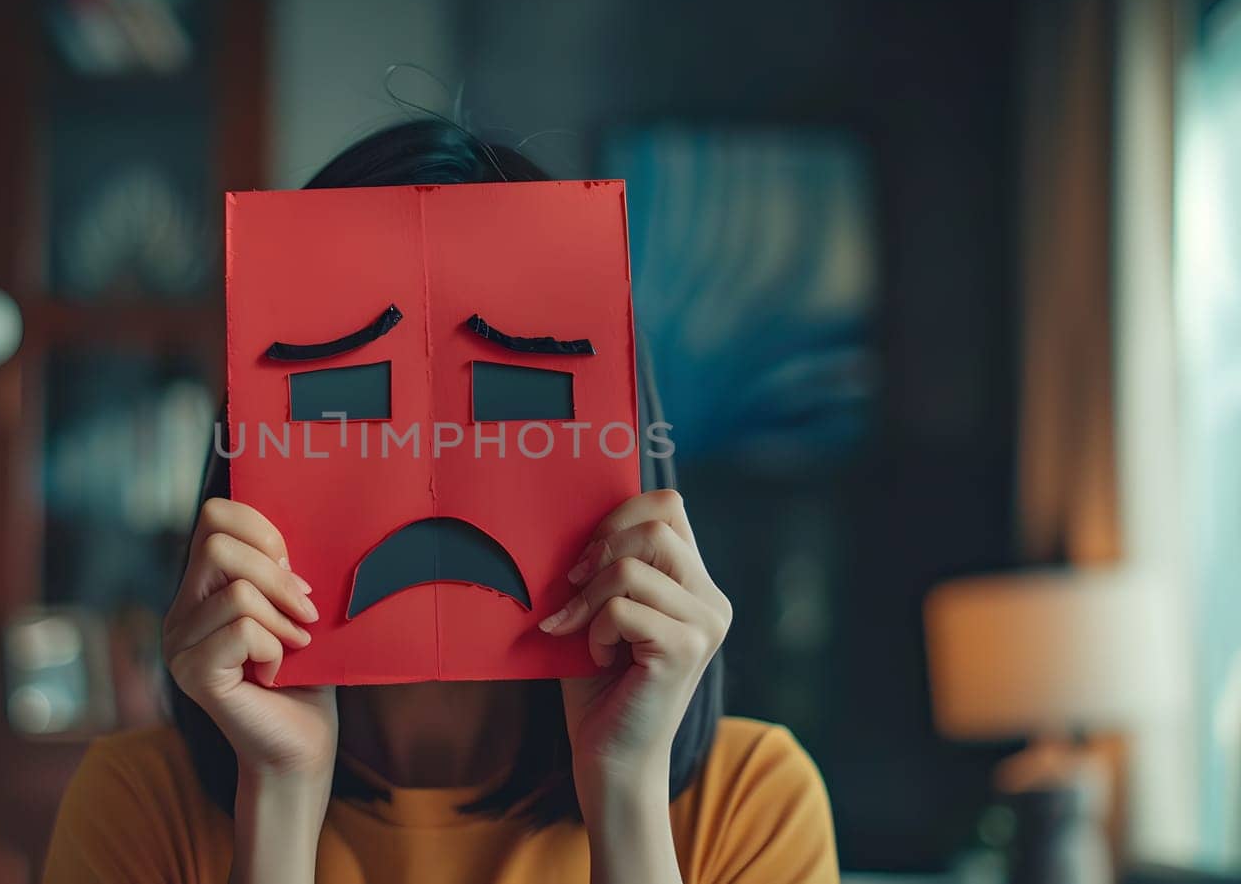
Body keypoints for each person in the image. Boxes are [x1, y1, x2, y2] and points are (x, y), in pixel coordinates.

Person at [42, 120, 839, 884]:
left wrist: (625, 787)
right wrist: (280, 795)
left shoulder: (750, 801)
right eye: (341, 396)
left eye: (521, 389)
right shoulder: (139, 803)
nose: (432, 470)